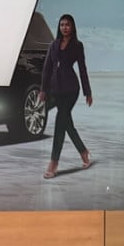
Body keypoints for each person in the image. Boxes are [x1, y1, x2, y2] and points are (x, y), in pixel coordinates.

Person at [39, 13, 93, 179]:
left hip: (71, 90)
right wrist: (43, 90)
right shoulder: (54, 45)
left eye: (67, 25)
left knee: (59, 123)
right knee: (67, 124)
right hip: (56, 90)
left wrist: (87, 92)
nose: (64, 27)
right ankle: (84, 152)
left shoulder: (77, 45)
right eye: (62, 24)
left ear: (73, 27)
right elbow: (47, 68)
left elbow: (82, 69)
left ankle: (53, 162)